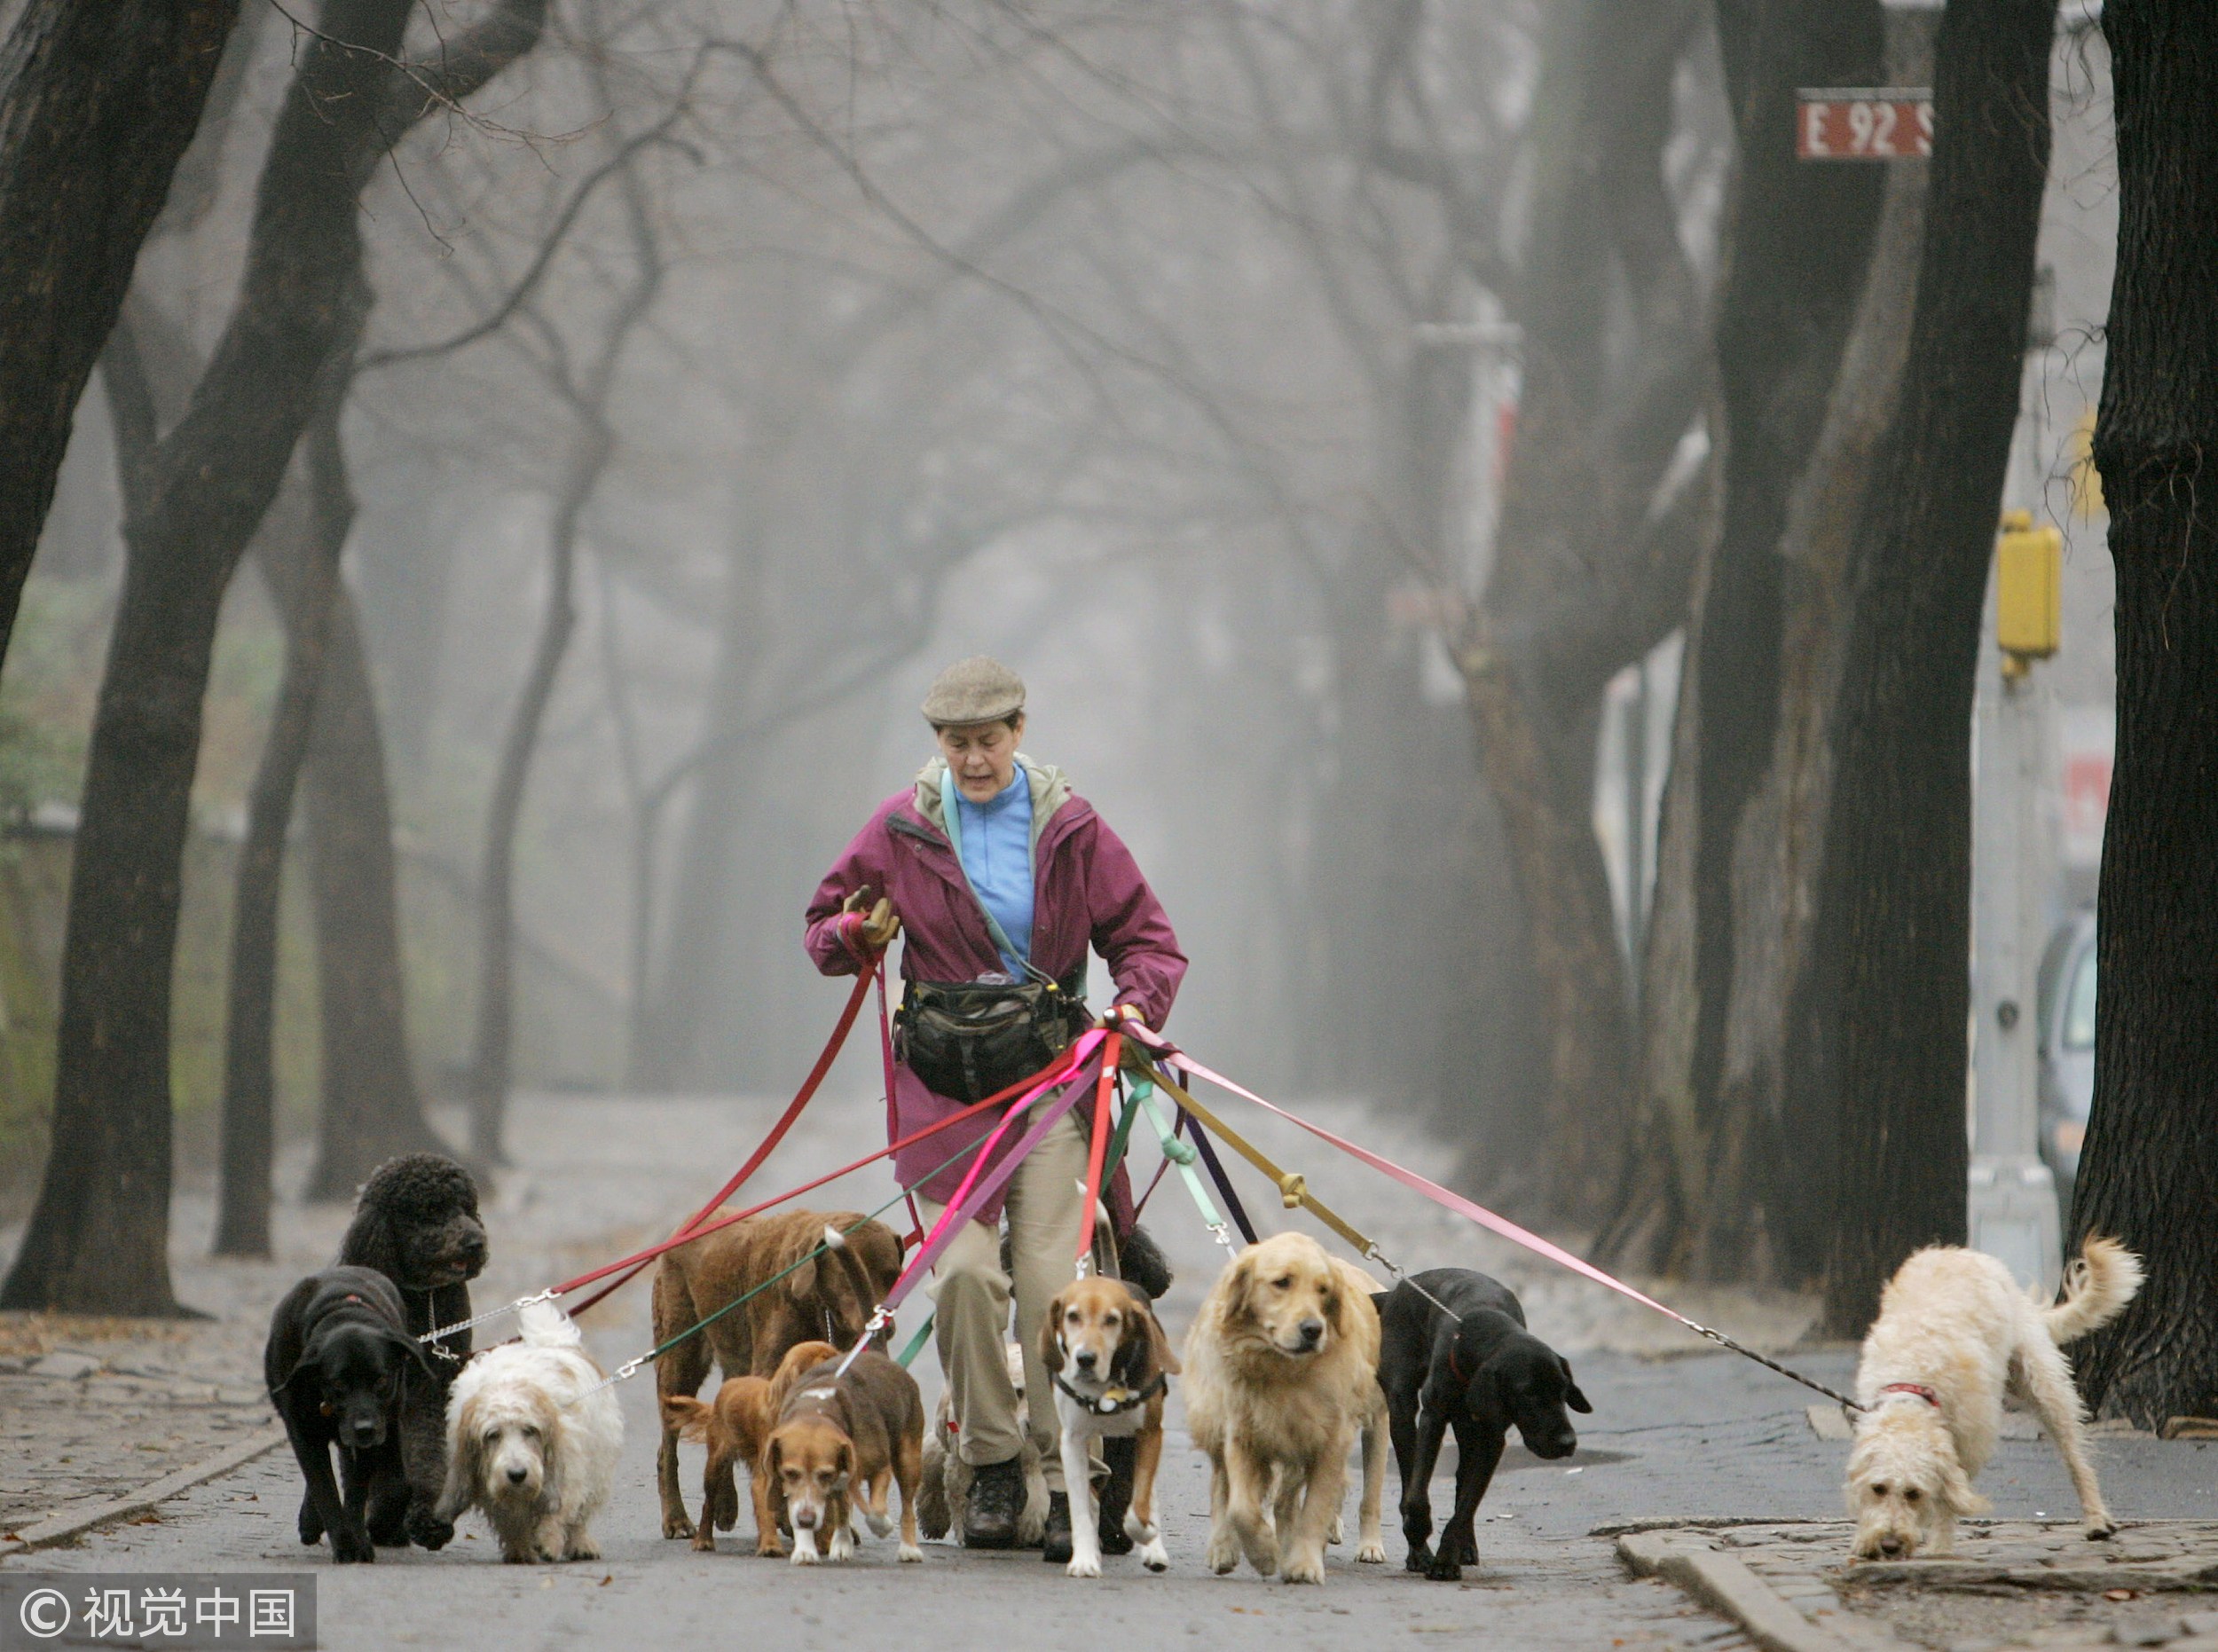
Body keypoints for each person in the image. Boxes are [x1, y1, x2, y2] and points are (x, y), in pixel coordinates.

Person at [804, 656, 1185, 1560]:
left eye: (988, 740)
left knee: (1056, 1287)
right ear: (937, 743)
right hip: (940, 1093)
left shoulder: (1071, 824)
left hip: (1051, 1082)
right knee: (967, 1276)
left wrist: (1134, 1008)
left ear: (1018, 732)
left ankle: (1068, 1482)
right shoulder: (900, 826)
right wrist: (857, 931)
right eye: (955, 742)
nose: (973, 758)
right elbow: (822, 926)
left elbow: (1147, 939)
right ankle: (992, 1461)